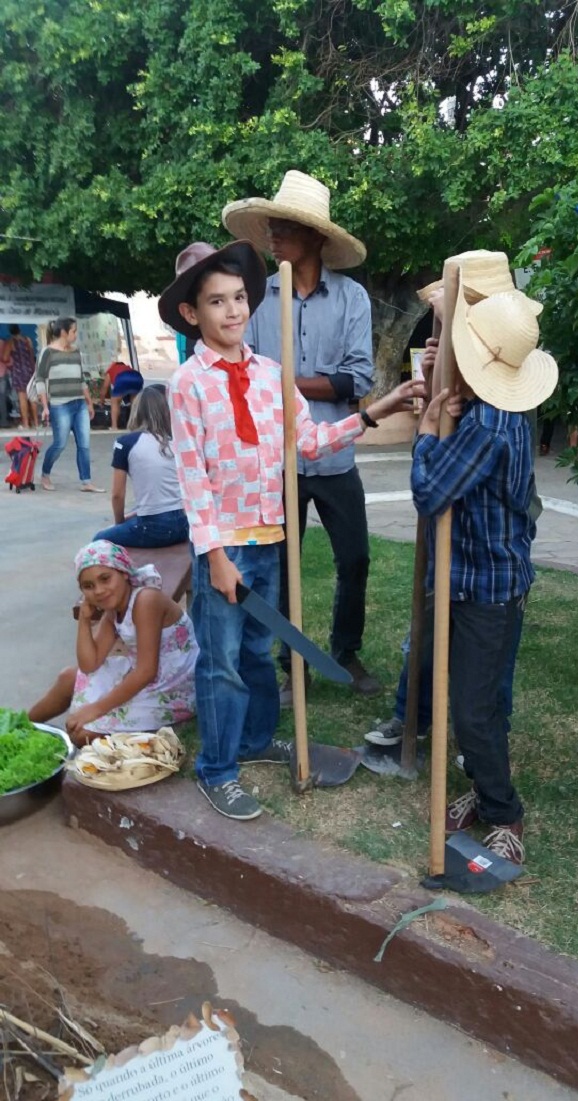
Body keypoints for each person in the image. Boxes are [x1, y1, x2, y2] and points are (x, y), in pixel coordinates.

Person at [159, 239, 421, 821]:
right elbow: (192, 478)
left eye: (238, 298)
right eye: (216, 302)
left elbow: (309, 443)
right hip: (223, 548)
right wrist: (216, 555)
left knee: (257, 653)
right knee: (221, 661)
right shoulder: (188, 384)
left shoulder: (273, 376)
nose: (232, 311)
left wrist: (379, 409)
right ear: (191, 313)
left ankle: (254, 741)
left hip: (271, 541)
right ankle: (217, 769)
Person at [411, 276, 559, 866]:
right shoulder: (487, 409)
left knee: (473, 709)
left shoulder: (491, 425)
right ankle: (481, 788)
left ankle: (503, 810)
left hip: (488, 590)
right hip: (475, 580)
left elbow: (430, 493)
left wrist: (425, 436)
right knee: (474, 703)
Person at [222, 171, 380, 703]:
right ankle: (293, 665)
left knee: (355, 558)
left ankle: (346, 650)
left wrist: (282, 380)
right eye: (270, 228)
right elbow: (244, 371)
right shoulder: (257, 301)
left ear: (314, 236)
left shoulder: (352, 298)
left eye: (284, 228)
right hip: (279, 461)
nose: (273, 238)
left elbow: (356, 378)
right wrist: (284, 382)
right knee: (281, 565)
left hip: (333, 457)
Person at [29, 540, 199, 747]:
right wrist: (84, 619)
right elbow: (89, 664)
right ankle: (19, 727)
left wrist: (95, 708)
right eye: (88, 586)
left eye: (105, 579)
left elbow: (147, 671)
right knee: (68, 677)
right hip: (145, 673)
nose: (99, 591)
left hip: (175, 685)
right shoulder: (114, 610)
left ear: (125, 573)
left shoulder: (146, 600)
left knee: (82, 733)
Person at [93, 386, 189, 548]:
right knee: (136, 516)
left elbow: (117, 495)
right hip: (185, 523)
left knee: (99, 540)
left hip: (153, 527)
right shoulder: (176, 442)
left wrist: (120, 523)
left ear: (136, 410)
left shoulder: (125, 444)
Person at [35, 317, 104, 492]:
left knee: (84, 444)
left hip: (79, 404)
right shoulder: (48, 352)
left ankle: (86, 481)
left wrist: (89, 403)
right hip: (59, 405)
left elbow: (81, 380)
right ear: (64, 332)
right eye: (74, 331)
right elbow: (40, 379)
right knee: (60, 444)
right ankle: (45, 474)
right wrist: (45, 407)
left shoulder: (76, 352)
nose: (75, 335)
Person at [1, 324, 37, 429]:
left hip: (18, 371)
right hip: (30, 371)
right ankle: (36, 422)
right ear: (19, 329)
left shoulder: (11, 342)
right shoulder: (27, 340)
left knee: (22, 398)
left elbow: (5, 357)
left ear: (10, 331)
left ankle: (25, 423)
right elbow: (31, 355)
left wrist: (10, 363)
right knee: (32, 397)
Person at [99, 360, 130, 430]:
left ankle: (114, 427)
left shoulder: (112, 370)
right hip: (136, 379)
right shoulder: (128, 368)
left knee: (115, 401)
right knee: (134, 404)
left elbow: (105, 387)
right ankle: (135, 425)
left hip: (122, 381)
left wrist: (101, 401)